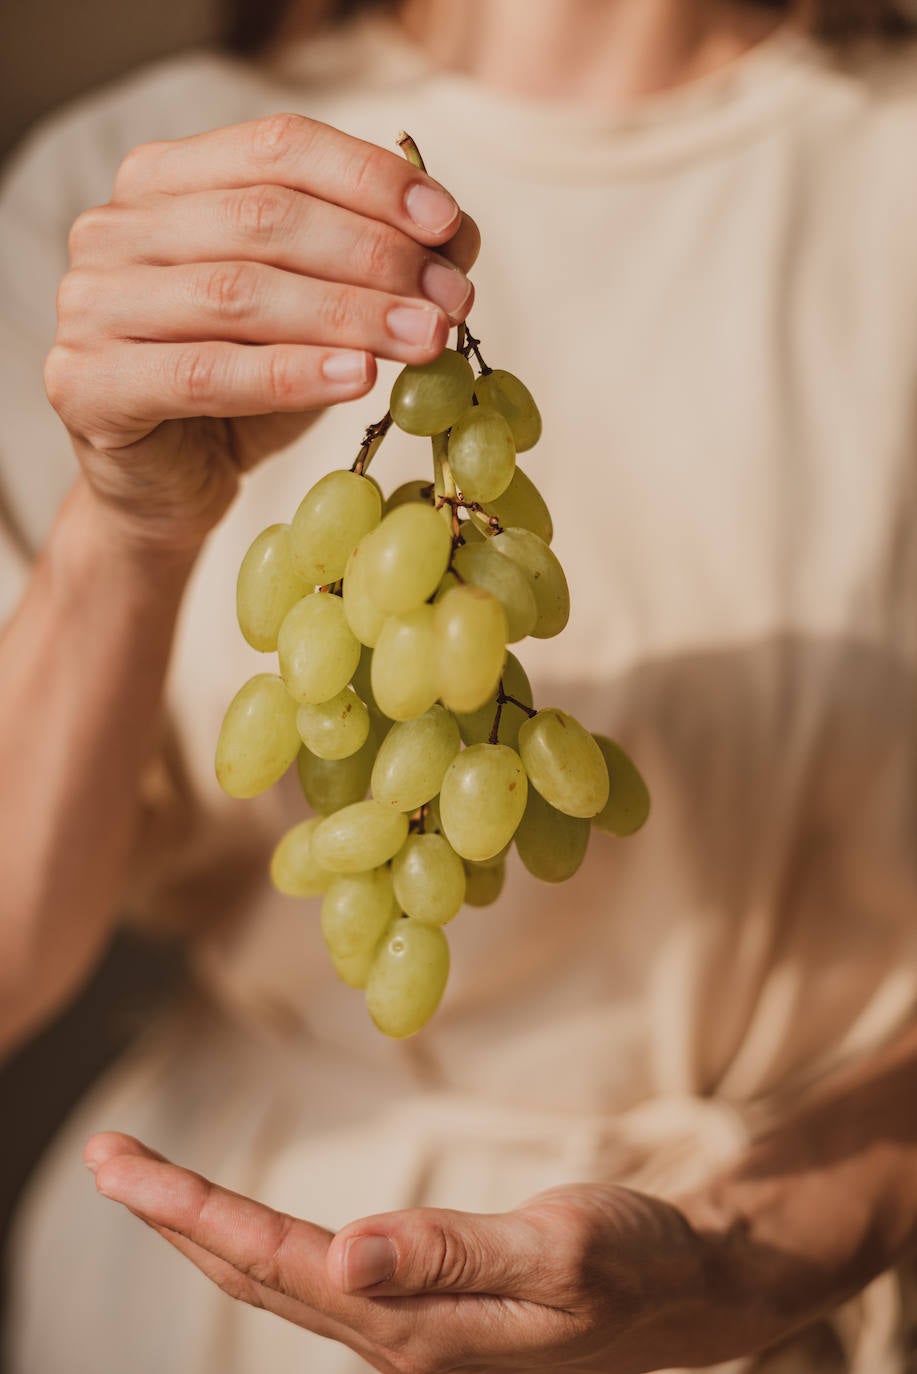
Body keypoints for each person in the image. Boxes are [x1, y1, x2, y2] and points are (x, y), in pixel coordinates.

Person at [2, 0, 917, 1369]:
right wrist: (125, 531)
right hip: (212, 1307)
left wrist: (774, 1236)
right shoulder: (129, 185)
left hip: (772, 1296)